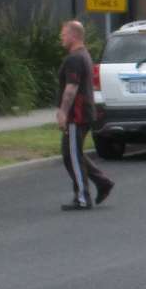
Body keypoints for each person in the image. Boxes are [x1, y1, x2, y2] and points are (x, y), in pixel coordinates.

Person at [55, 19, 113, 211]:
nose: (61, 37)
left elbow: (71, 88)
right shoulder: (84, 55)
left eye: (64, 34)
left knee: (71, 156)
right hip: (84, 113)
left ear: (74, 35)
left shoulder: (74, 59)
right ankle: (103, 182)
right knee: (73, 153)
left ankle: (82, 198)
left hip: (77, 115)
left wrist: (63, 112)